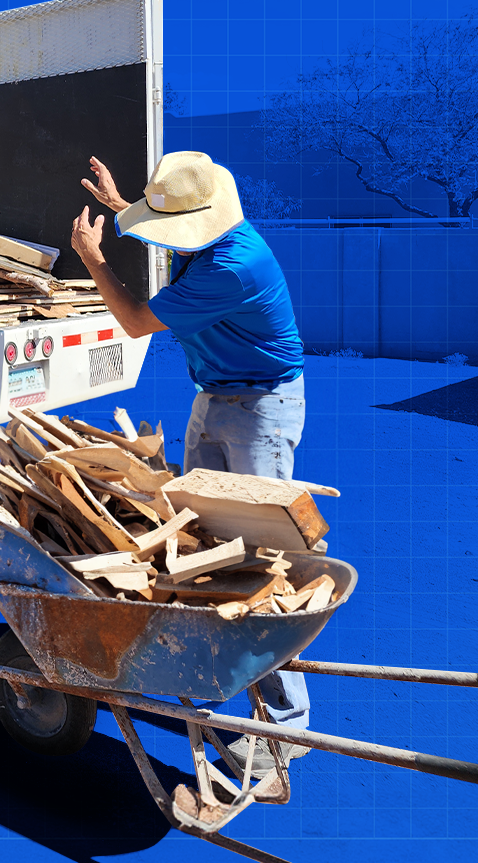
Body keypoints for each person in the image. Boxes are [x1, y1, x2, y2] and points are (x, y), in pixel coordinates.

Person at [69, 149, 312, 773]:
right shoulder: (211, 236)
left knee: (262, 560)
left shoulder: (231, 266)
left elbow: (131, 320)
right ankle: (222, 670)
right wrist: (122, 206)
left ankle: (283, 729)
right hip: (217, 394)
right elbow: (174, 226)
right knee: (205, 539)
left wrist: (95, 259)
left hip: (260, 407)